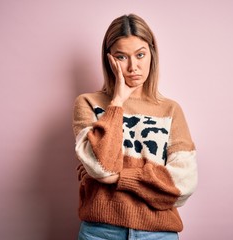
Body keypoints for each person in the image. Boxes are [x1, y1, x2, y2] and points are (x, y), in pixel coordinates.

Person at [72, 13, 198, 240]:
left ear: (152, 54)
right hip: (101, 232)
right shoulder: (88, 104)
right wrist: (117, 102)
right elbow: (102, 167)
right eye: (122, 57)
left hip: (159, 234)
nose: (133, 67)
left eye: (140, 54)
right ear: (109, 59)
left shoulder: (171, 110)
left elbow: (182, 183)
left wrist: (117, 178)